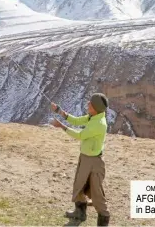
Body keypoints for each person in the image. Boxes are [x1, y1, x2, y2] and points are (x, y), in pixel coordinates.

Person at [50, 93, 110, 226]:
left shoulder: (99, 123)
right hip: (85, 158)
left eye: (90, 103)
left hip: (94, 162)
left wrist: (61, 126)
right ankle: (80, 213)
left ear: (95, 107)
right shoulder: (93, 117)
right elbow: (76, 121)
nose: (88, 103)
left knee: (96, 193)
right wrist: (59, 111)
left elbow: (80, 135)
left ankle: (103, 220)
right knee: (79, 185)